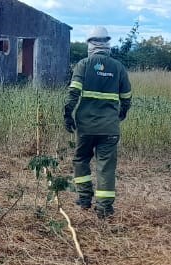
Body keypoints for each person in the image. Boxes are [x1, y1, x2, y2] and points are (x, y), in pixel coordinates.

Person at [64, 27, 132, 219]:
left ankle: (84, 199)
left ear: (90, 44)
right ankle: (104, 208)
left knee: (81, 160)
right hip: (110, 127)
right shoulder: (118, 67)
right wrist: (121, 113)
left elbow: (73, 93)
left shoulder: (83, 65)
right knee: (106, 167)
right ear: (107, 44)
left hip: (85, 127)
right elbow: (126, 97)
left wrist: (67, 114)